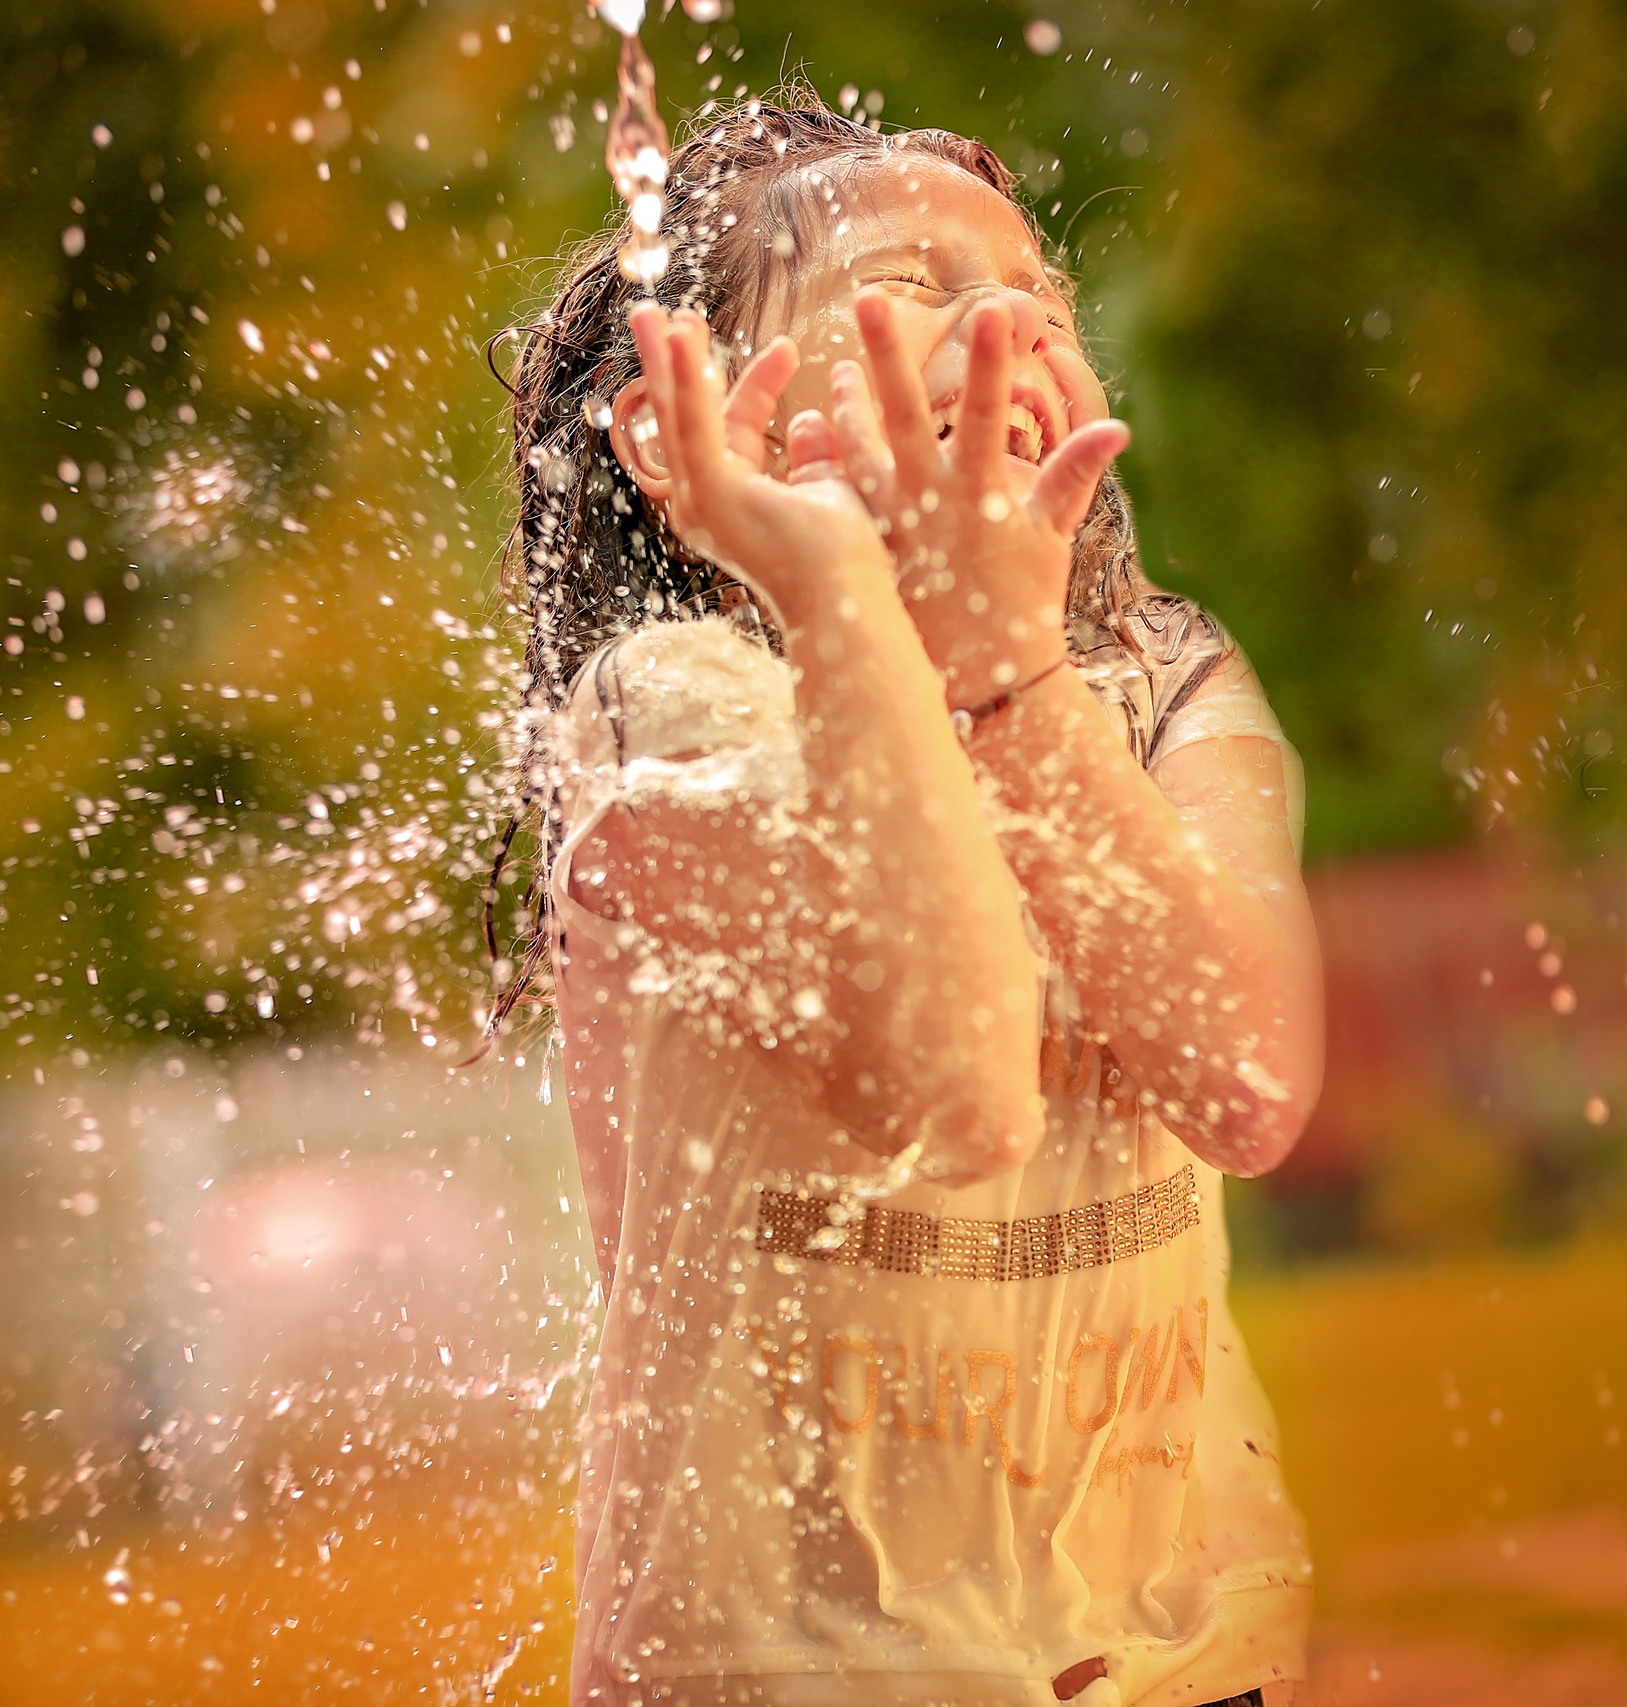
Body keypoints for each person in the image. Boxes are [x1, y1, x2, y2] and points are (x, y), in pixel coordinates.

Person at [494, 92, 1323, 1707]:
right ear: (691, 430)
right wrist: (854, 599)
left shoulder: (1161, 691)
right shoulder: (672, 712)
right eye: (920, 285)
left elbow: (1248, 1081)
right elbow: (949, 1083)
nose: (1009, 318)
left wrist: (1014, 677)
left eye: (1039, 297)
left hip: (1187, 1647)